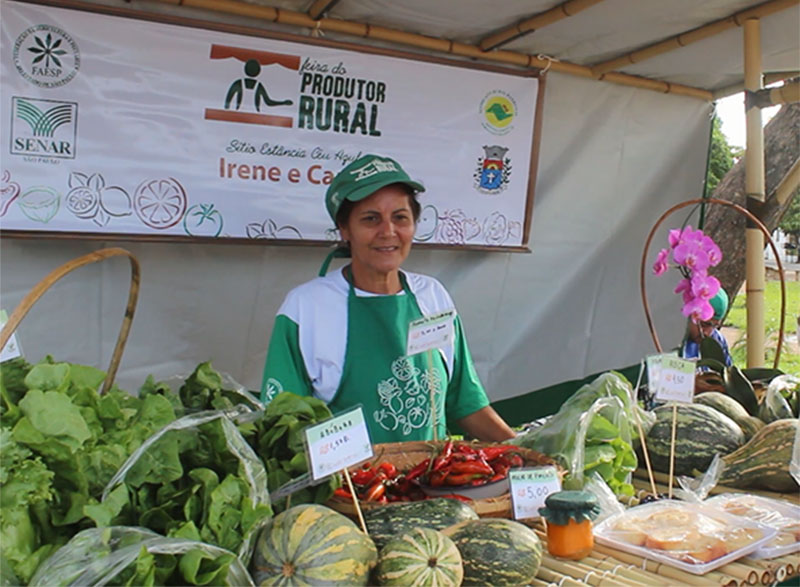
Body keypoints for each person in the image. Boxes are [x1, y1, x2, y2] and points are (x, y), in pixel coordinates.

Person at [260, 154, 515, 443]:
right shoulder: (305, 308)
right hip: (351, 486)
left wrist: (526, 452)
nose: (388, 232)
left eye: (400, 218)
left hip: (433, 480)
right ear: (345, 229)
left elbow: (464, 401)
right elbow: (284, 426)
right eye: (371, 219)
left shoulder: (433, 296)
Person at [681, 287, 733, 367]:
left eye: (714, 326)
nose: (707, 333)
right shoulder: (673, 341)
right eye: (704, 324)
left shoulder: (718, 340)